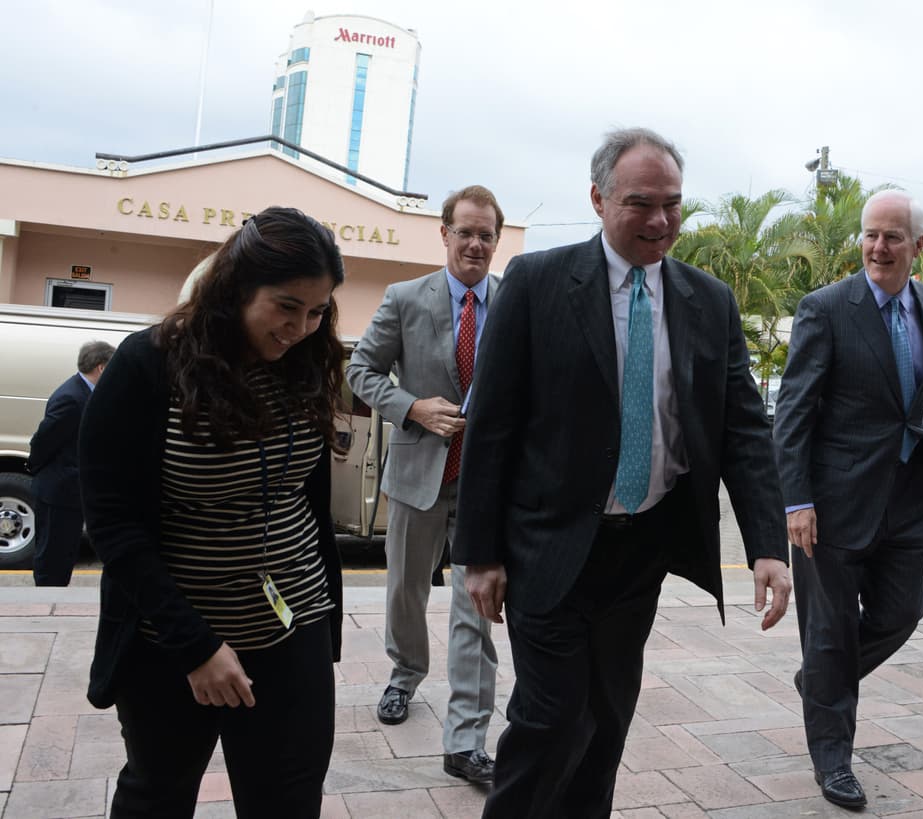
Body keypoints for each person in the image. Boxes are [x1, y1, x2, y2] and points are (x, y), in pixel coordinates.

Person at [452, 127, 791, 818]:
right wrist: (478, 554)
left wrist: (767, 544)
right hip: (549, 545)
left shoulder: (709, 301)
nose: (661, 221)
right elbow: (491, 424)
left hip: (642, 549)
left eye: (672, 203)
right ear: (598, 197)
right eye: (641, 202)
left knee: (605, 722)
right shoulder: (537, 282)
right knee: (552, 717)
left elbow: (743, 430)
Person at [79, 207, 347, 817]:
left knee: (287, 800)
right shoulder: (148, 365)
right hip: (172, 643)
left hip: (293, 624)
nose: (301, 326)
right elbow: (112, 521)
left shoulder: (307, 360)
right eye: (286, 306)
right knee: (158, 795)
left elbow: (302, 496)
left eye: (318, 310)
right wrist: (196, 646)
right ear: (235, 289)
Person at [773, 189, 923, 810]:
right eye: (870, 234)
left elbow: (909, 406)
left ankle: (818, 683)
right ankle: (834, 761)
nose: (878, 246)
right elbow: (794, 413)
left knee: (902, 612)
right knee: (832, 636)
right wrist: (796, 501)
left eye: (893, 237)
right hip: (831, 506)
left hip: (905, 499)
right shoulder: (825, 309)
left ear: (919, 246)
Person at [346, 185, 503, 784]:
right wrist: (412, 407)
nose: (475, 243)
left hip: (487, 484)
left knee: (476, 607)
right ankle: (404, 673)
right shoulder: (405, 298)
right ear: (444, 233)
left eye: (485, 234)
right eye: (464, 231)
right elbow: (361, 371)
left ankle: (466, 740)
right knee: (407, 590)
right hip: (419, 476)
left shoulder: (515, 302)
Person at [26, 340, 114, 585]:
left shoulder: (83, 392)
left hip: (69, 490)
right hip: (59, 491)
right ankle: (45, 605)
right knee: (53, 556)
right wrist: (35, 466)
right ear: (101, 368)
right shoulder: (72, 398)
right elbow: (43, 440)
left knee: (63, 554)